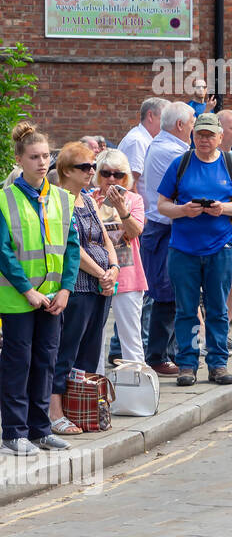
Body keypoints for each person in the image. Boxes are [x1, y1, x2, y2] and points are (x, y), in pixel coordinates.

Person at [0, 124, 82, 454]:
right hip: (18, 299)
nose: (41, 162)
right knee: (18, 366)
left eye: (46, 155)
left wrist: (65, 290)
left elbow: (72, 247)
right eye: (34, 157)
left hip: (52, 299)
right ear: (19, 160)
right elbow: (3, 251)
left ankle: (40, 429)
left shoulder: (62, 198)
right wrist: (26, 291)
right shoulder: (5, 200)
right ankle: (13, 434)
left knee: (45, 363)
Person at [155, 113, 232, 387]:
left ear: (220, 138)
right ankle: (187, 364)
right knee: (186, 309)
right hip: (183, 249)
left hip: (219, 247)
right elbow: (162, 204)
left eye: (210, 135)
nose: (205, 139)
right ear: (192, 136)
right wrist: (183, 210)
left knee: (217, 309)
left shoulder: (230, 164)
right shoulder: (181, 163)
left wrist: (223, 208)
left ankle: (218, 363)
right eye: (200, 134)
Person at [46, 141, 119, 432]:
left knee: (89, 352)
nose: (92, 171)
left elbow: (104, 238)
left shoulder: (87, 200)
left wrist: (113, 268)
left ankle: (82, 406)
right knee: (67, 350)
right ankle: (55, 413)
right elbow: (70, 248)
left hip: (101, 286)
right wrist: (102, 273)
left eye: (92, 166)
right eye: (84, 167)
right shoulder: (58, 201)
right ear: (66, 170)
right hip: (78, 286)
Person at [139, 101, 195, 376]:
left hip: (168, 228)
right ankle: (157, 356)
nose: (195, 128)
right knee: (164, 295)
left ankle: (167, 353)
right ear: (180, 125)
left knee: (171, 295)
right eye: (193, 123)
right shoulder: (170, 151)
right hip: (164, 230)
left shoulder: (170, 146)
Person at [93, 149, 146, 364]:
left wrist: (120, 208)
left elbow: (134, 232)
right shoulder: (88, 199)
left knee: (131, 337)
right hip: (96, 274)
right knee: (94, 338)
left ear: (126, 177)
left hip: (127, 274)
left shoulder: (134, 200)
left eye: (118, 174)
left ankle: (138, 387)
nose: (112, 179)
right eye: (106, 173)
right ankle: (94, 388)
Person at [119, 97, 167, 185]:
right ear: (150, 116)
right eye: (164, 119)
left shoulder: (145, 140)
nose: (167, 124)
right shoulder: (137, 142)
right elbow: (131, 183)